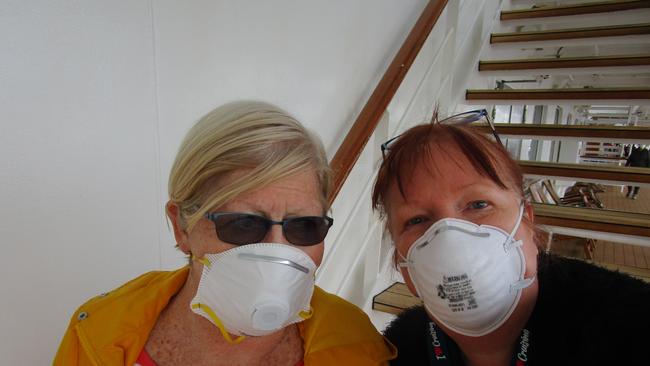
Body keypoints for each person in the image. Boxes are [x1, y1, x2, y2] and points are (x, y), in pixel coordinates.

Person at [54, 101, 396, 365]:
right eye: (244, 224)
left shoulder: (358, 347)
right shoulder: (98, 334)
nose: (276, 250)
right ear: (181, 226)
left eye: (304, 225)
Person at [371, 111, 650, 366]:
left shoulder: (629, 326)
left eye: (478, 204)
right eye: (417, 220)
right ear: (403, 264)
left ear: (527, 222)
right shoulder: (397, 352)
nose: (450, 239)